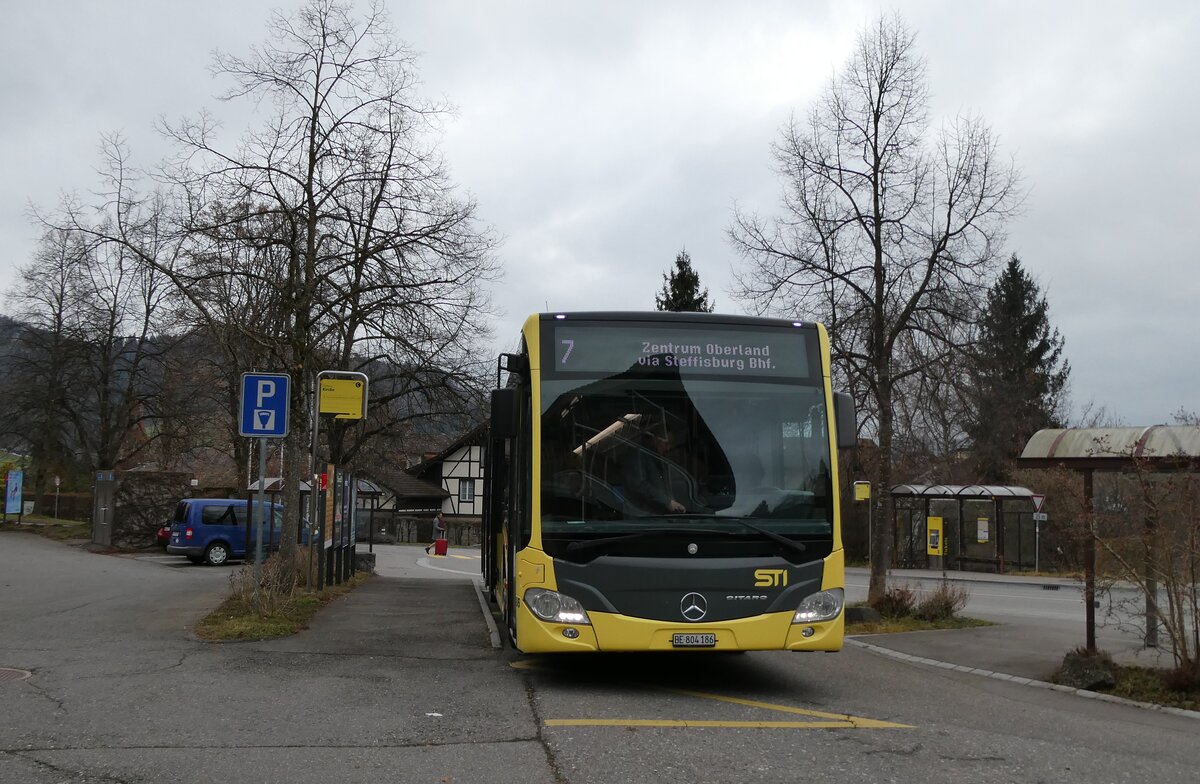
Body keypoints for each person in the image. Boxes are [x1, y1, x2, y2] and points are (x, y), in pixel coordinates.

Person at [621, 426, 687, 514]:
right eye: (666, 443)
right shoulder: (638, 453)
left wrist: (671, 502)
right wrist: (667, 502)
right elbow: (639, 485)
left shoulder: (659, 459)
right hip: (641, 519)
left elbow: (663, 488)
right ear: (655, 439)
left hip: (656, 516)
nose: (668, 448)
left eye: (671, 445)